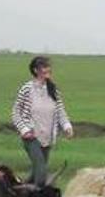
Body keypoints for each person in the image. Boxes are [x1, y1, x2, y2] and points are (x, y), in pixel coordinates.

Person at [11, 56, 74, 186]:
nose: (47, 70)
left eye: (48, 67)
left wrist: (67, 126)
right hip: (32, 137)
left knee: (36, 173)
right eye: (44, 67)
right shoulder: (27, 89)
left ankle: (17, 190)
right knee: (41, 173)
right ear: (35, 70)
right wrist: (24, 130)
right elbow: (15, 112)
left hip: (47, 138)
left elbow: (60, 111)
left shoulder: (53, 90)